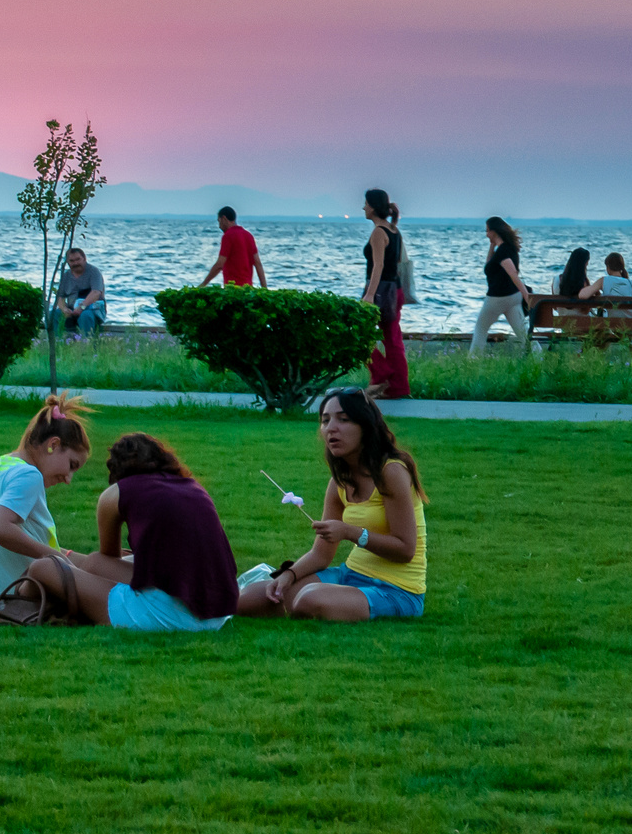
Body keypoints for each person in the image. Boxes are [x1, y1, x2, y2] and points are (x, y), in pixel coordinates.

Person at [237, 388, 427, 621]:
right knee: (252, 597)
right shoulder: (339, 482)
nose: (331, 428)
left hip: (396, 590)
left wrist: (350, 532)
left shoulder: (392, 471)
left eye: (343, 419)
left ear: (365, 426)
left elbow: (406, 550)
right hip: (350, 576)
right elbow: (321, 554)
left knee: (310, 599)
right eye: (325, 421)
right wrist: (288, 576)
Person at [23, 432, 240, 630]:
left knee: (43, 567)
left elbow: (107, 559)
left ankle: (21, 598)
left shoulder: (116, 494)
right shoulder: (192, 487)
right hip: (217, 616)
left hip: (164, 617)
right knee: (94, 563)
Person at [0, 394, 93, 597]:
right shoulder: (29, 476)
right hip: (16, 593)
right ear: (53, 445)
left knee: (94, 563)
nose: (68, 479)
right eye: (71, 465)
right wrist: (52, 556)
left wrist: (67, 557)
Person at [361, 188, 409, 399]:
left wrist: (369, 295)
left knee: (358, 333)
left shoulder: (379, 232)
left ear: (372, 207)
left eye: (365, 203)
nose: (363, 207)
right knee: (392, 339)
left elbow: (378, 266)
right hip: (394, 290)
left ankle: (381, 375)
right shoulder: (393, 230)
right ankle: (397, 387)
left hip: (381, 291)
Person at [469, 216, 537, 353]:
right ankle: (538, 356)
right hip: (512, 298)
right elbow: (489, 266)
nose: (486, 234)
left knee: (480, 330)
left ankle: (473, 361)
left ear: (494, 232)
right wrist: (492, 245)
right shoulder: (507, 249)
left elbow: (513, 274)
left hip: (497, 298)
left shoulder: (503, 252)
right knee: (523, 334)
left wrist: (527, 297)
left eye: (487, 231)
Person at [200, 206, 267, 288]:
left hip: (233, 288)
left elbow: (220, 264)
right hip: (248, 289)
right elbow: (258, 263)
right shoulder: (248, 235)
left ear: (224, 218)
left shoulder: (228, 236)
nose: (219, 226)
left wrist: (203, 285)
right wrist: (264, 288)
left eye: (219, 221)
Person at [54, 247, 106, 338]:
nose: (75, 263)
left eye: (78, 259)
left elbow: (96, 293)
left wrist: (82, 307)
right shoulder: (66, 276)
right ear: (67, 262)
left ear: (84, 259)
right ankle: (57, 342)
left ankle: (87, 345)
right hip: (72, 310)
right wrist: (64, 309)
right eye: (72, 261)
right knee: (53, 314)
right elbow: (60, 297)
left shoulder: (94, 272)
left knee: (85, 316)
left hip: (93, 309)